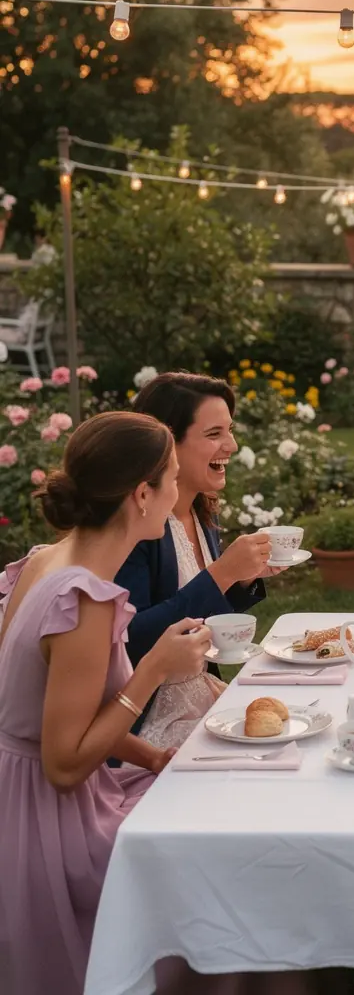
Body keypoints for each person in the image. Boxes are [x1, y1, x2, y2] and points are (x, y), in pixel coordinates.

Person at [0, 412, 212, 995]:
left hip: (26, 792)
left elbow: (61, 712)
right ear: (142, 494)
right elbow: (63, 764)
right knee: (212, 871)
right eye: (172, 478)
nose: (177, 491)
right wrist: (152, 671)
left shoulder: (47, 560)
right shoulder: (84, 600)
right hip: (47, 824)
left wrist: (151, 758)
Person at [115, 373, 274, 749]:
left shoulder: (201, 512)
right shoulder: (135, 526)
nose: (231, 445)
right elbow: (128, 639)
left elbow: (202, 614)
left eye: (230, 430)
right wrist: (221, 573)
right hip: (148, 721)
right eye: (214, 434)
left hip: (200, 693)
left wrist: (240, 578)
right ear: (166, 443)